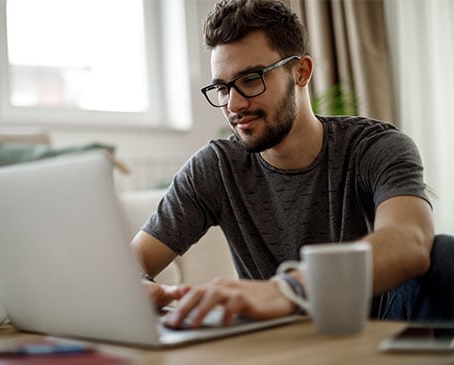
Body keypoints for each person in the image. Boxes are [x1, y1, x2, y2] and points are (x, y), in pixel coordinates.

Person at [130, 0, 437, 329]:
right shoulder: (216, 167)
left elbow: (411, 239)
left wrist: (288, 290)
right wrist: (136, 288)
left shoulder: (374, 147)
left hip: (368, 334)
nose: (233, 104)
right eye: (222, 87)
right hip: (274, 345)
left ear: (301, 72)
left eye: (251, 79)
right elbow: (130, 263)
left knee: (444, 258)